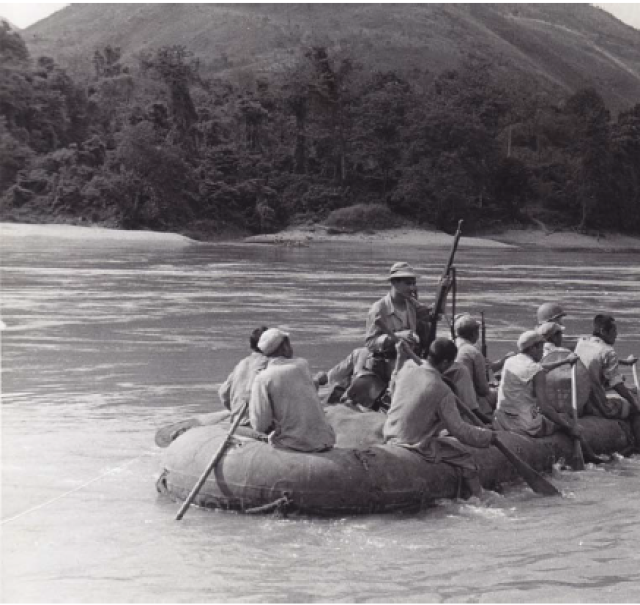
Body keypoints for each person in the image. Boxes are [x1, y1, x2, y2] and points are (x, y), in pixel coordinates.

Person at [384, 338, 499, 499]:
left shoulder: (407, 368)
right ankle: (480, 497)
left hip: (389, 433)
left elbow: (393, 387)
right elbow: (459, 431)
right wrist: (487, 436)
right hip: (413, 442)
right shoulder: (442, 390)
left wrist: (400, 358)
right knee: (465, 457)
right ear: (445, 363)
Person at [493, 330, 607, 462]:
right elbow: (544, 407)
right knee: (565, 418)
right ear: (533, 348)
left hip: (501, 419)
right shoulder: (536, 370)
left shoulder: (510, 361)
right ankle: (590, 454)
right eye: (541, 347)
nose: (543, 351)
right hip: (523, 424)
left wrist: (563, 361)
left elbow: (539, 367)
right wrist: (568, 426)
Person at [249, 328, 336, 452]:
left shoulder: (263, 378)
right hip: (325, 439)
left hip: (295, 443)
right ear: (284, 347)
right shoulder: (302, 364)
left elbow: (260, 425)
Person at [575, 315, 640, 423]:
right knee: (633, 403)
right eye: (614, 331)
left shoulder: (582, 342)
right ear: (603, 331)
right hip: (597, 404)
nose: (616, 334)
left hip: (581, 399)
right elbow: (616, 384)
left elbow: (595, 359)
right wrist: (634, 402)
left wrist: (624, 362)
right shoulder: (608, 351)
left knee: (631, 389)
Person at [454, 313, 513, 417]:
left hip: (454, 398)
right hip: (471, 402)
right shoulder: (473, 352)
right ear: (473, 334)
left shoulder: (450, 345)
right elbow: (483, 390)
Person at [218, 326, 269, 424]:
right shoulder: (271, 364)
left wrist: (235, 409)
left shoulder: (242, 363)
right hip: (255, 424)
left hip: (237, 420)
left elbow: (223, 393)